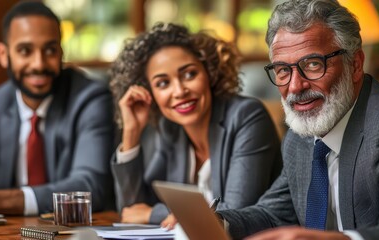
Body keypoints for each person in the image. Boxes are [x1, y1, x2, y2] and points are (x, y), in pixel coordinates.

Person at [216, 0, 379, 239]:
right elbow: (274, 214)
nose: (295, 86)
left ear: (355, 65)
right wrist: (220, 223)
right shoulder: (300, 135)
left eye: (313, 64)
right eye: (283, 70)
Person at [110, 22, 282, 225]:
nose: (180, 91)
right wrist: (131, 133)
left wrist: (154, 214)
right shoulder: (171, 129)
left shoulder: (247, 117)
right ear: (150, 93)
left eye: (189, 74)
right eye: (163, 83)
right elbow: (131, 210)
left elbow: (235, 213)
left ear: (209, 73)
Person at [0, 1, 115, 215]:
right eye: (25, 50)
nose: (39, 64)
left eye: (50, 50)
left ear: (61, 52)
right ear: (4, 55)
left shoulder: (90, 99)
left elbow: (89, 188)